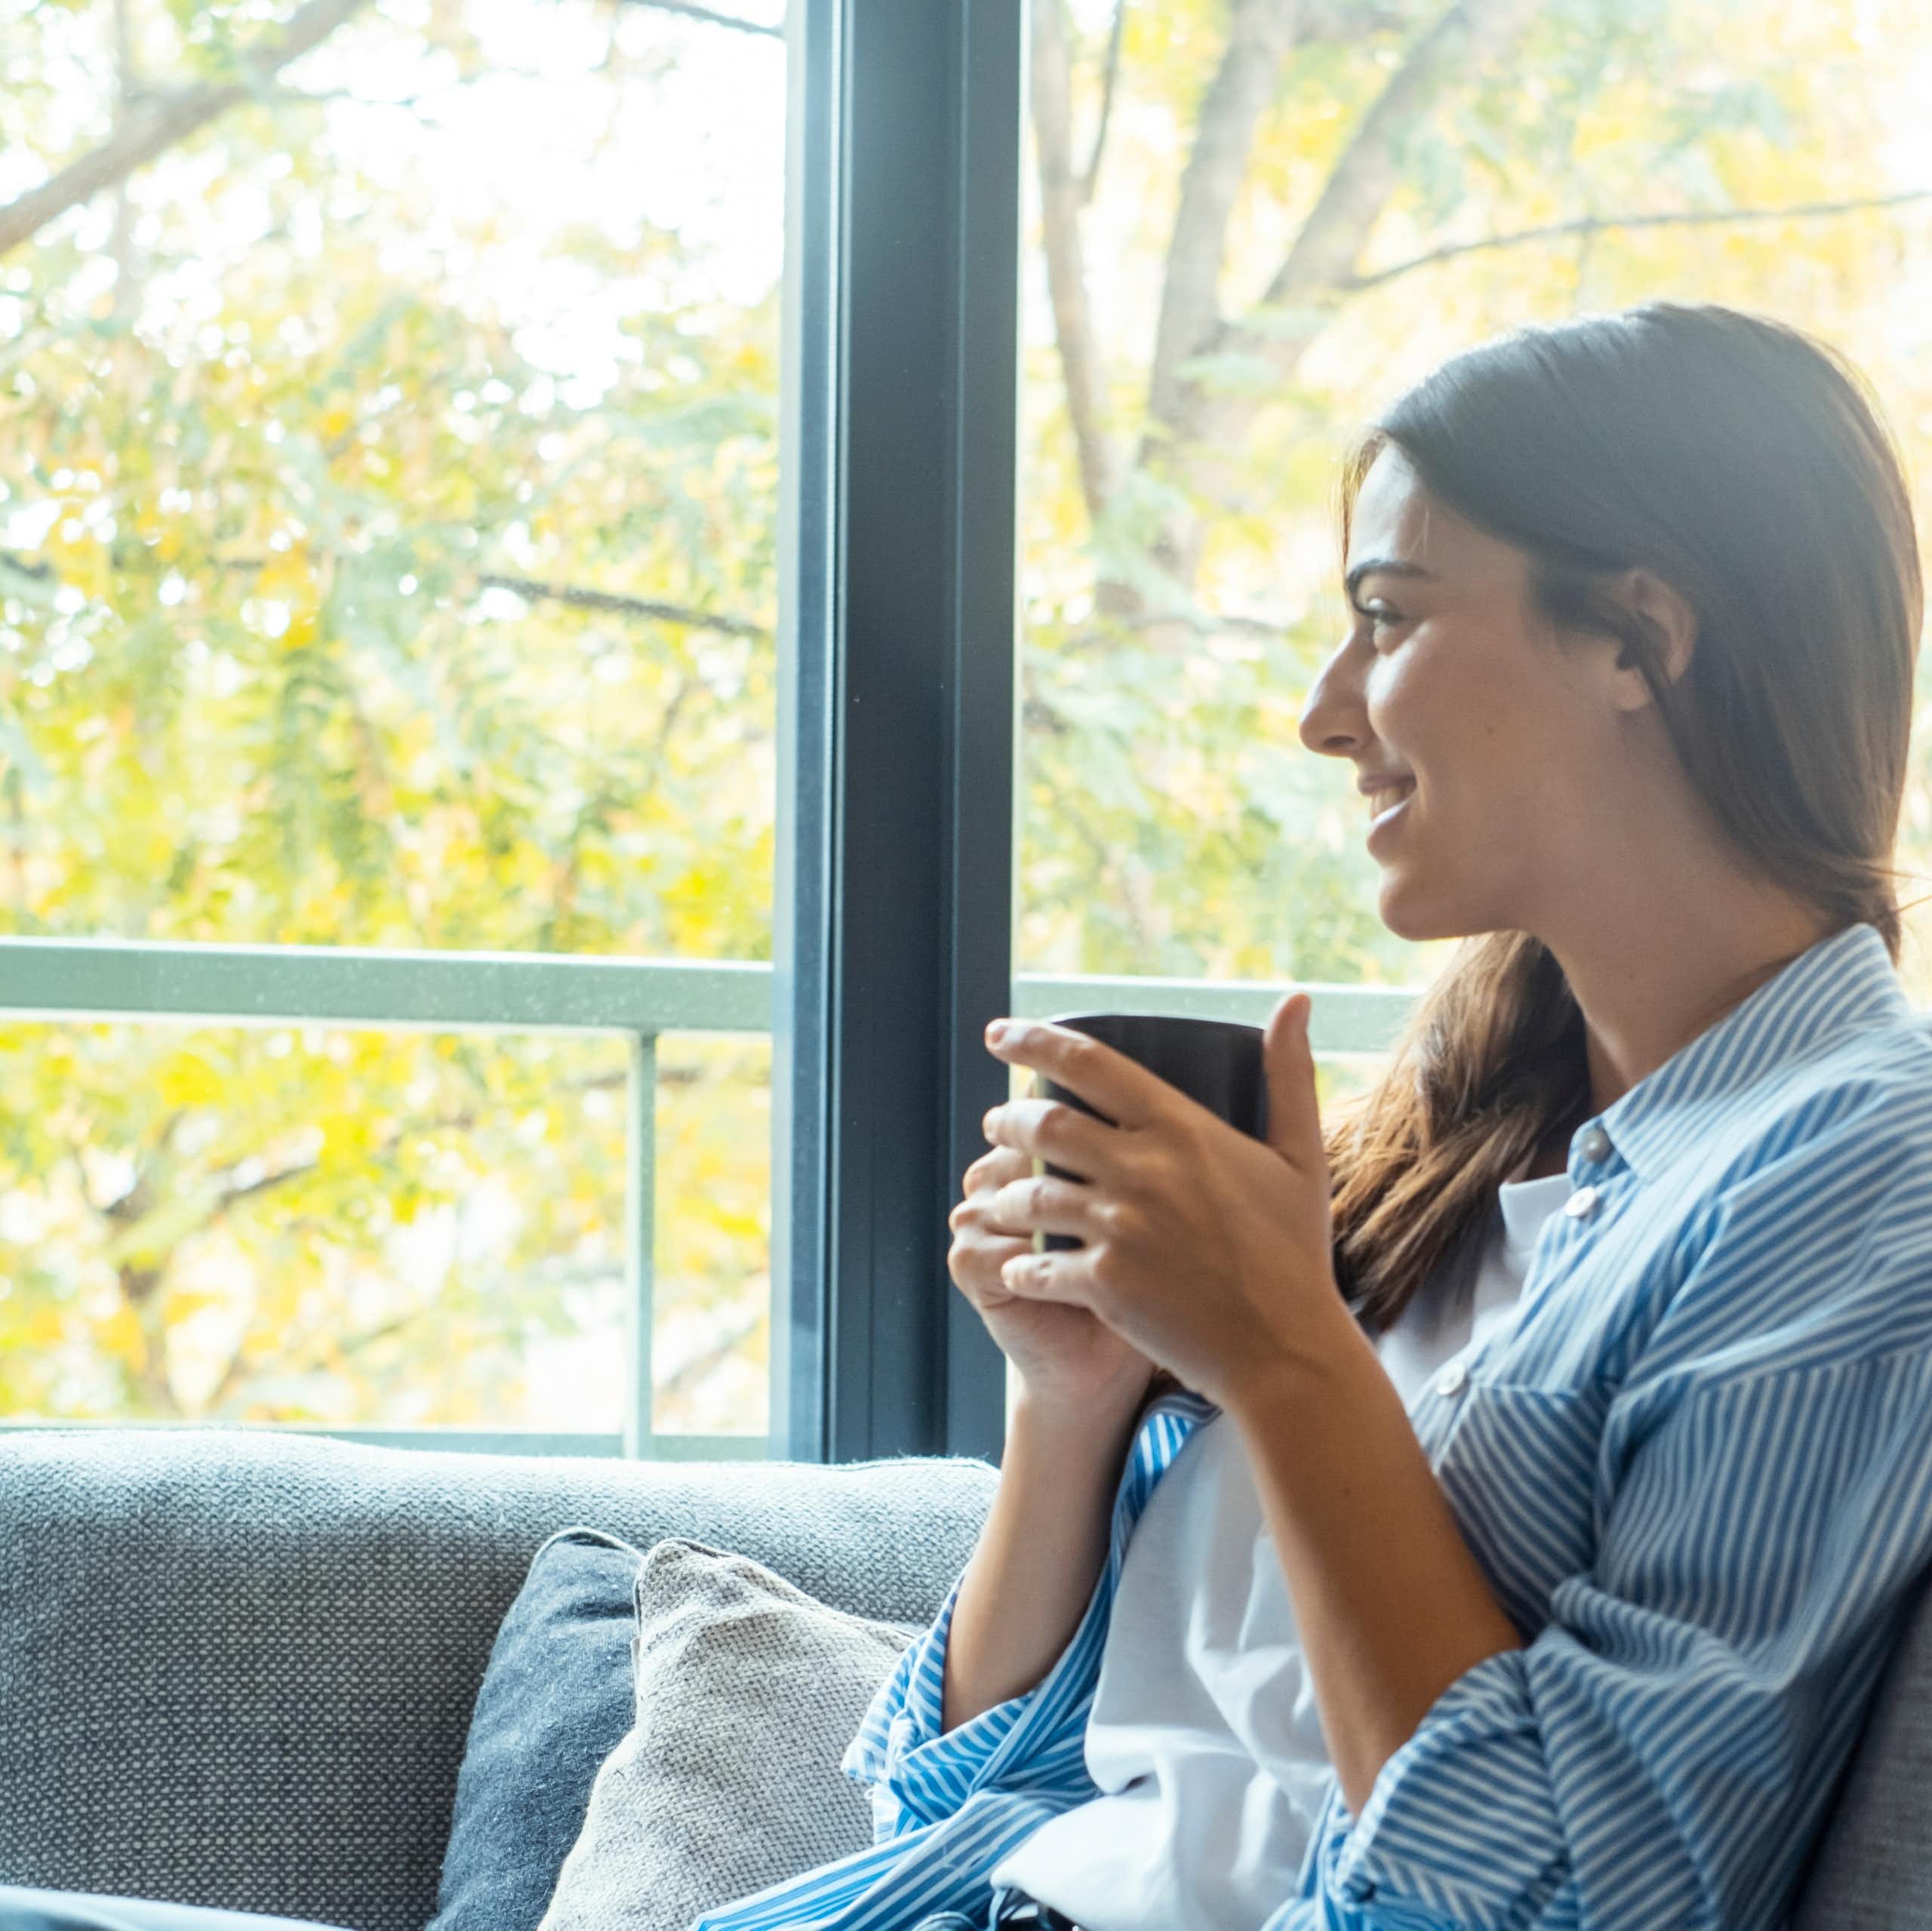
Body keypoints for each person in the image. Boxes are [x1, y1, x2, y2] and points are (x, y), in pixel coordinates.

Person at [5, 300, 1927, 1931]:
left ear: (1637, 640)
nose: (1326, 709)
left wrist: (1280, 1348)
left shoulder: (1853, 1173)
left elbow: (1562, 1897)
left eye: (1386, 612)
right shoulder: (1474, 1142)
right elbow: (962, 1778)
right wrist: (1077, 1400)